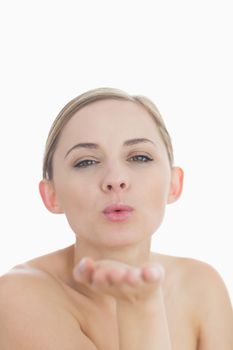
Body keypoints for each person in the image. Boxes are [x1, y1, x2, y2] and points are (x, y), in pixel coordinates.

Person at [0, 87, 232, 350]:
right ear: (51, 195)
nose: (115, 180)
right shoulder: (19, 296)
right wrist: (141, 306)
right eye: (86, 162)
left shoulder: (202, 285)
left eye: (140, 157)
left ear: (174, 184)